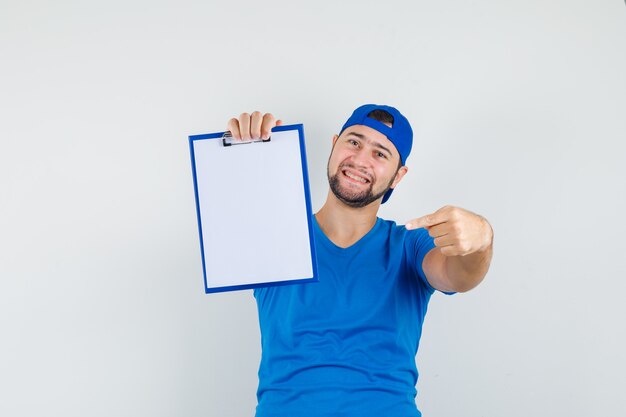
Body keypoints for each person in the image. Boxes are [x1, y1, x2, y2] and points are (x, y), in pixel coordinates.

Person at [226, 104, 494, 417]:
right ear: (334, 144)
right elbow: (233, 213)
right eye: (354, 142)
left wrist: (480, 241)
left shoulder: (410, 245)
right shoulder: (276, 240)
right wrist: (240, 153)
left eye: (380, 153)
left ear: (398, 176)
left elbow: (459, 276)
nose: (360, 159)